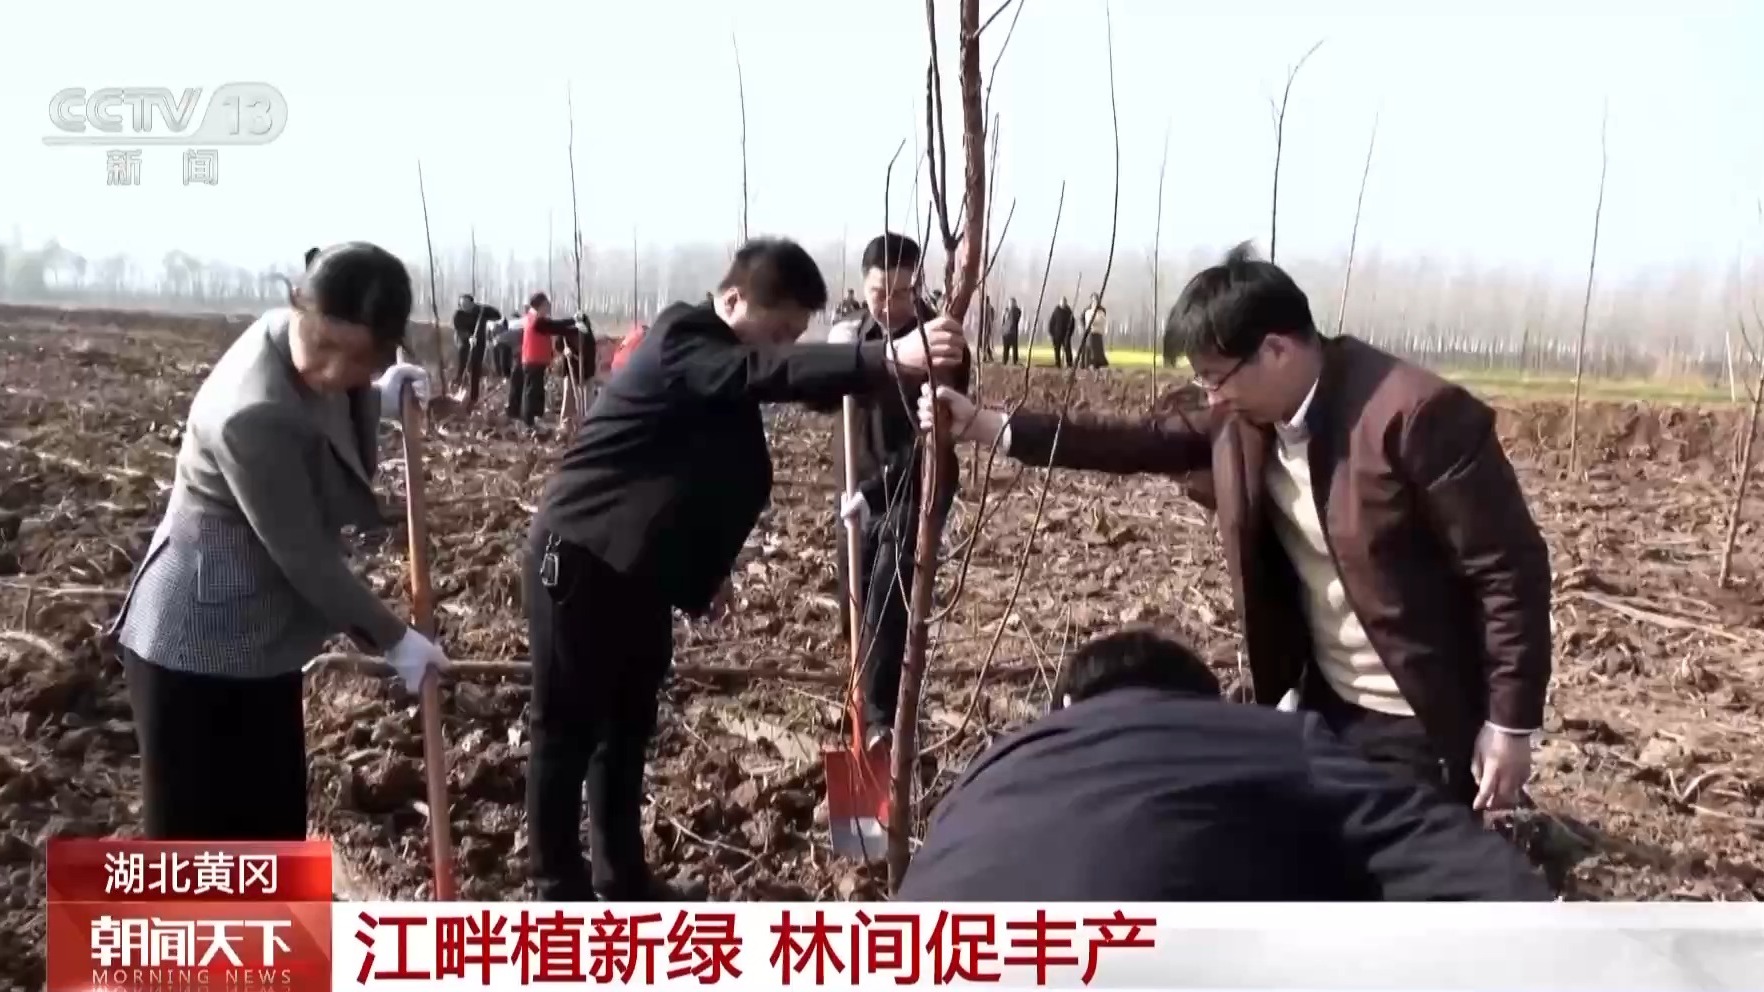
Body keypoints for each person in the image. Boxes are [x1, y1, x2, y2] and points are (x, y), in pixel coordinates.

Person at [920, 242, 1551, 813]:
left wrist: (1509, 723)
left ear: (1277, 350)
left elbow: (1507, 572)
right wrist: (986, 426)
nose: (1211, 396)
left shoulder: (1413, 416)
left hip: (1418, 711)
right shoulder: (1245, 418)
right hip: (1324, 700)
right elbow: (1132, 442)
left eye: (1216, 377)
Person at [524, 237, 966, 900]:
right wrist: (882, 357)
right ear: (732, 299)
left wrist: (706, 565)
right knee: (565, 727)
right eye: (780, 330)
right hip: (580, 559)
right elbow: (761, 372)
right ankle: (556, 889)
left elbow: (690, 474)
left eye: (795, 335)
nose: (785, 345)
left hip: (640, 571)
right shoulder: (684, 337)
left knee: (627, 725)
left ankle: (622, 877)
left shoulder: (718, 366)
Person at [108, 242, 452, 840]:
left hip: (260, 641)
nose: (331, 370)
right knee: (196, 842)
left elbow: (321, 396)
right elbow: (305, 557)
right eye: (325, 344)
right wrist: (396, 640)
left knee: (271, 832)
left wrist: (377, 398)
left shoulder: (292, 338)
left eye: (359, 359)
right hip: (192, 645)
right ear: (300, 305)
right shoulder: (250, 415)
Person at [898, 629, 1554, 901]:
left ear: (1066, 706)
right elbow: (1439, 849)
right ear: (1204, 704)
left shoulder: (986, 772)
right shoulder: (1267, 738)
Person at [820, 233, 971, 753]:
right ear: (864, 286)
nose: (889, 304)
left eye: (902, 293)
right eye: (879, 292)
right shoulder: (854, 336)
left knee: (887, 596)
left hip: (913, 488)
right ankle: (860, 701)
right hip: (854, 490)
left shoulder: (941, 345)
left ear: (918, 285)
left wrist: (875, 492)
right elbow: (819, 399)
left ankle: (881, 724)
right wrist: (835, 362)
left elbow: (932, 442)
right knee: (854, 601)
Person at [509, 292, 580, 427]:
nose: (548, 307)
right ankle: (530, 421)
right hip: (533, 360)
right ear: (540, 306)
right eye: (546, 304)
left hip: (534, 360)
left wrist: (572, 325)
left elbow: (554, 326)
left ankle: (533, 418)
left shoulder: (532, 317)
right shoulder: (536, 320)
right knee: (532, 392)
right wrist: (574, 323)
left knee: (534, 391)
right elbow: (555, 327)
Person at [451, 294, 503, 407]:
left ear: (472, 303)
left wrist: (485, 308)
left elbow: (498, 315)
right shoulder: (458, 315)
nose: (464, 306)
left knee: (476, 369)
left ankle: (473, 398)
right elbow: (459, 330)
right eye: (462, 304)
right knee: (463, 365)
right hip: (464, 343)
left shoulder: (480, 311)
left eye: (466, 304)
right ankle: (459, 386)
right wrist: (469, 337)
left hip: (479, 343)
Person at [1079, 292, 1109, 369]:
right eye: (1093, 299)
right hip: (1089, 332)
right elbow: (1082, 319)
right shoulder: (1087, 310)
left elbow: (1102, 320)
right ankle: (1086, 364)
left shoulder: (1101, 310)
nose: (1094, 301)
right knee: (1089, 348)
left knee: (1097, 349)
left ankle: (1097, 364)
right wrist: (1084, 327)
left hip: (1098, 331)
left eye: (1096, 300)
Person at [1047, 295, 1076, 368]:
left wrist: (1070, 333)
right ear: (1060, 302)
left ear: (1066, 303)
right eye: (1062, 302)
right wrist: (1051, 333)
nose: (1063, 303)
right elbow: (1051, 322)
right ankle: (1058, 364)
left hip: (1066, 335)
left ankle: (1069, 364)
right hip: (1057, 335)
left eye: (1064, 302)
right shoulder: (1056, 311)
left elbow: (1073, 323)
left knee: (1067, 350)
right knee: (1057, 350)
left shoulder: (1069, 312)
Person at [999, 296, 1022, 365]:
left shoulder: (1017, 311)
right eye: (1010, 302)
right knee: (1006, 348)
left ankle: (1015, 361)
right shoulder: (1006, 311)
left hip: (1013, 332)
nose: (1011, 304)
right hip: (1006, 332)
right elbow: (1003, 321)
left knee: (1014, 348)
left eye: (1012, 302)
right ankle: (1004, 360)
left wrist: (1012, 310)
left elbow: (1017, 319)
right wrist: (1002, 329)